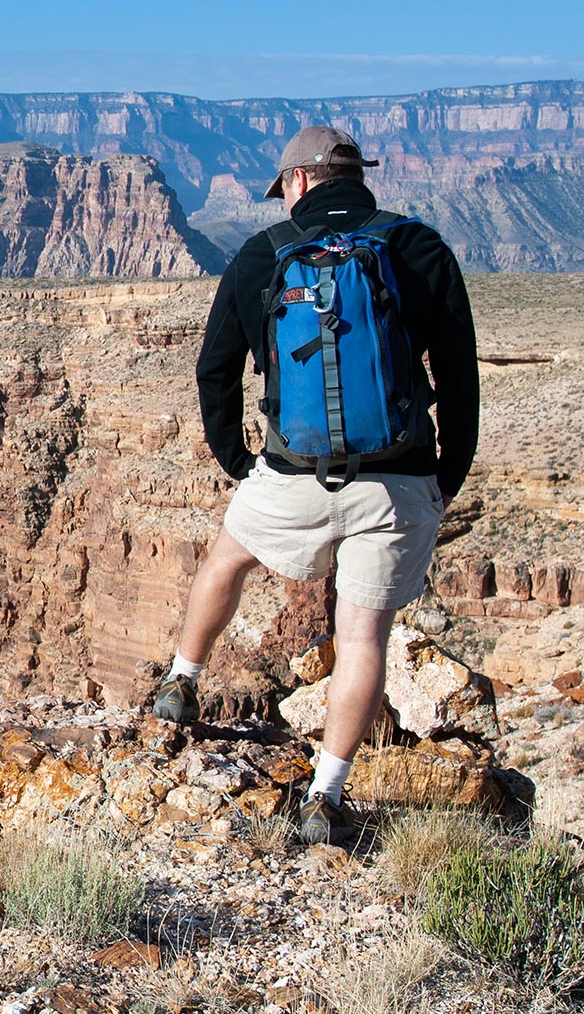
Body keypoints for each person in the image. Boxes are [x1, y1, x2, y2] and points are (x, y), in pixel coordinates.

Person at [150, 125, 479, 844]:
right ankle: (325, 797)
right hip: (398, 478)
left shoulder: (263, 254)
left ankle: (180, 681)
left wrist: (237, 461)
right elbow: (458, 373)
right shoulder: (419, 247)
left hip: (292, 471)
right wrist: (444, 475)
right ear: (358, 178)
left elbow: (216, 368)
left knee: (228, 558)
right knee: (363, 635)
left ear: (297, 183)